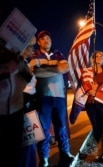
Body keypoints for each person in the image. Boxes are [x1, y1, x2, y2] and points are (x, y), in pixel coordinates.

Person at [0, 0, 32, 166]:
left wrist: (22, 65)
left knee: (13, 157)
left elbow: (22, 69)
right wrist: (11, 66)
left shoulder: (2, 38)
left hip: (15, 110)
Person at [29, 30, 74, 167]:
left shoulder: (58, 53)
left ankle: (65, 153)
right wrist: (56, 67)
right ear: (38, 42)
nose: (46, 40)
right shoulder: (34, 55)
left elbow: (65, 68)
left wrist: (45, 67)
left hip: (59, 97)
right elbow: (36, 72)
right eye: (43, 39)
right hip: (43, 97)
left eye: (48, 38)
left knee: (61, 127)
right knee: (43, 129)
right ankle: (44, 158)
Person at [71, 50, 103, 163]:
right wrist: (90, 90)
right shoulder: (87, 71)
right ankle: (100, 152)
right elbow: (83, 85)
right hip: (90, 104)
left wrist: (97, 92)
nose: (99, 57)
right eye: (96, 56)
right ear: (92, 58)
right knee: (96, 128)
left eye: (101, 55)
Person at [20, 36, 37, 167]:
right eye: (28, 47)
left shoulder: (25, 63)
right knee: (28, 140)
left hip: (30, 102)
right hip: (24, 102)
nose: (31, 50)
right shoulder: (19, 62)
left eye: (31, 48)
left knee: (31, 139)